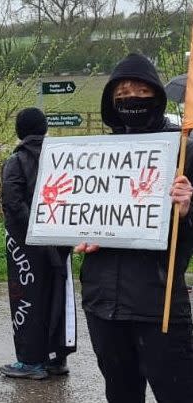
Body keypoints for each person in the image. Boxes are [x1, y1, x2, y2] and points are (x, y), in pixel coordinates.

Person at [76, 53, 193, 401]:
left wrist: (187, 210)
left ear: (156, 96)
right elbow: (76, 212)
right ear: (111, 102)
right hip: (101, 305)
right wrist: (79, 234)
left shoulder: (184, 152)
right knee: (121, 395)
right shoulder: (96, 155)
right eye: (122, 92)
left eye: (141, 91)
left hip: (158, 304)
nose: (131, 98)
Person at [0, 107, 77, 380]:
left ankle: (31, 361)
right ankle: (57, 358)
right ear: (44, 128)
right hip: (60, 239)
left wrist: (34, 230)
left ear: (20, 131)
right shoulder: (61, 157)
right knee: (57, 296)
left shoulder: (17, 160)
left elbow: (12, 202)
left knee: (27, 298)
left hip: (26, 245)